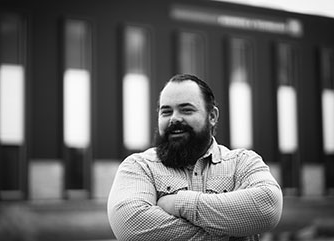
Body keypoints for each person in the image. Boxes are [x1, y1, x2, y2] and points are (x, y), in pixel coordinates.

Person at [107, 74, 283, 241]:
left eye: (186, 110)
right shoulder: (139, 166)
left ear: (212, 116)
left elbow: (267, 206)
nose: (174, 119)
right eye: (166, 112)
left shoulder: (243, 163)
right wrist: (231, 231)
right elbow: (130, 225)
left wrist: (178, 203)